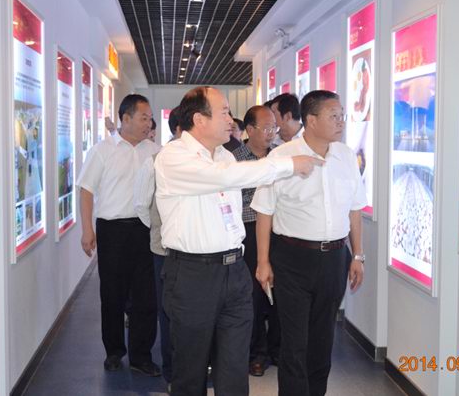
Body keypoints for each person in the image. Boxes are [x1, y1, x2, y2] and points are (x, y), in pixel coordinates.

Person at [154, 86, 323, 396]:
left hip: (234, 272)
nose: (231, 120)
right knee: (190, 371)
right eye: (224, 112)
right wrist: (287, 164)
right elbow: (224, 178)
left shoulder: (224, 155)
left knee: (234, 370)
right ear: (199, 119)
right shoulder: (173, 156)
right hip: (193, 275)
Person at [251, 90, 367, 396]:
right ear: (311, 120)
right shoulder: (282, 157)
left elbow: (355, 209)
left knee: (322, 339)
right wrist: (263, 262)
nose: (341, 121)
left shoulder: (345, 156)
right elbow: (264, 211)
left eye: (342, 115)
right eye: (334, 115)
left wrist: (358, 255)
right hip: (292, 258)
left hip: (335, 258)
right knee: (294, 342)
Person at [77, 94, 161, 375]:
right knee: (112, 293)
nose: (149, 123)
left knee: (146, 296)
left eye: (150, 118)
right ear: (125, 118)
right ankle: (114, 352)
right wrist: (87, 229)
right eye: (144, 118)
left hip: (145, 229)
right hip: (112, 230)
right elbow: (86, 190)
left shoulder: (155, 151)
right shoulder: (103, 150)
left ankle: (141, 356)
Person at [133, 106, 182, 388]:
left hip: (199, 254)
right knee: (168, 311)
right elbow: (142, 205)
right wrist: (158, 230)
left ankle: (195, 368)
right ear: (180, 129)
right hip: (165, 251)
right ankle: (172, 371)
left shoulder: (212, 161)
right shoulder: (154, 161)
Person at [231, 106, 280, 377]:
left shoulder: (280, 156)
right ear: (249, 130)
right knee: (253, 295)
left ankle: (277, 348)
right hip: (249, 231)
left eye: (274, 127)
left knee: (279, 293)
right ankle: (256, 353)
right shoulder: (234, 160)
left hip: (280, 232)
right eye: (266, 128)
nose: (272, 133)